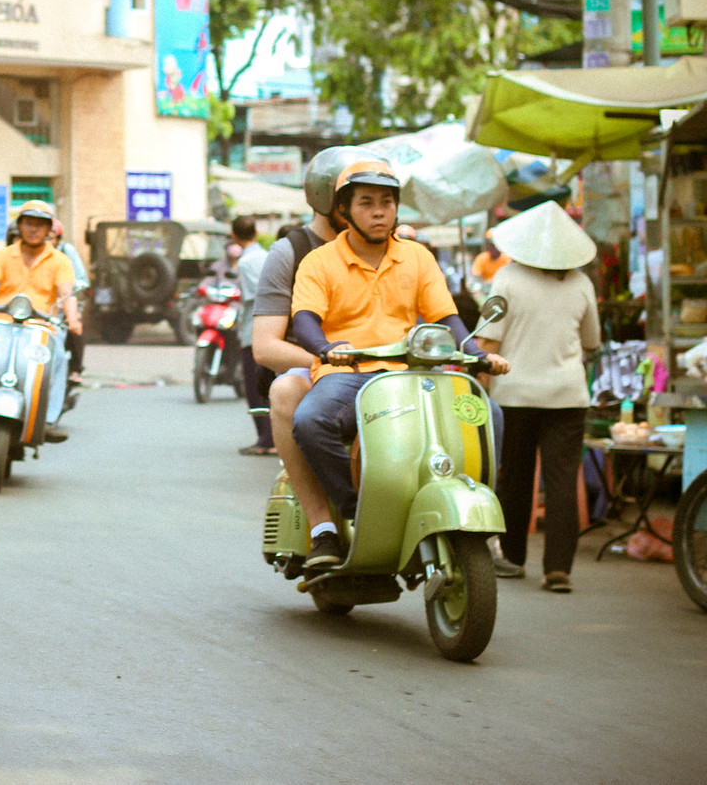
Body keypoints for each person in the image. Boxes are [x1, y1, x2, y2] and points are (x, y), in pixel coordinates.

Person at [288, 157, 509, 566]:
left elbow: (447, 317)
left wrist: (478, 354)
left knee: (486, 413)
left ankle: (471, 509)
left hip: (411, 372)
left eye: (387, 203)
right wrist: (323, 347)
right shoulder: (318, 262)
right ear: (344, 211)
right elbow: (304, 319)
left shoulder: (418, 258)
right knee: (309, 421)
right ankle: (355, 507)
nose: (378, 211)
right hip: (347, 372)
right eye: (366, 202)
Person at [251, 146, 374, 567]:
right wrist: (327, 359)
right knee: (286, 392)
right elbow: (265, 345)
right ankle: (323, 524)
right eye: (360, 197)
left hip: (385, 370)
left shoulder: (390, 247)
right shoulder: (290, 252)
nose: (372, 208)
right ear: (331, 200)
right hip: (316, 373)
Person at [475, 201, 601, 593]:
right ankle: (558, 569)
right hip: (567, 395)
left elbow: (487, 342)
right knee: (562, 480)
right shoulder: (581, 283)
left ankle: (513, 558)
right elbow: (592, 341)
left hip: (515, 393)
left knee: (516, 477)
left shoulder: (508, 279)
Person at [0, 200, 82, 440]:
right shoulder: (4, 255)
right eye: (28, 223)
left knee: (58, 357)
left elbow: (66, 293)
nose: (34, 229)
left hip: (40, 328)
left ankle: (48, 420)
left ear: (49, 229)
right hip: (1, 324)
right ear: (19, 226)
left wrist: (72, 318)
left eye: (40, 224)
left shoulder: (60, 260)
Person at [233, 215, 273, 456]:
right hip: (273, 328)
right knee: (266, 385)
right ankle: (270, 436)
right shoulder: (268, 256)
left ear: (234, 236)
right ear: (256, 233)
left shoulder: (246, 262)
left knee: (254, 386)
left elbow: (252, 298)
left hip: (253, 329)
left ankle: (266, 438)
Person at [49, 217, 89, 385]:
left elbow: (81, 279)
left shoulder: (66, 251)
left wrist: (67, 289)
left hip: (67, 298)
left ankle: (76, 368)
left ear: (58, 239)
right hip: (45, 302)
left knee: (74, 326)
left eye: (51, 237)